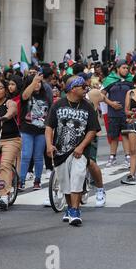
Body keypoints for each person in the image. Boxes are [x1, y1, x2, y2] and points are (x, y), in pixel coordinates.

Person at [46, 76, 101, 226]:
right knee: (65, 183)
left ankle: (75, 210)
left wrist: (81, 146)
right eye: (83, 86)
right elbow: (49, 126)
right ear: (73, 88)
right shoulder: (58, 105)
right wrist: (49, 145)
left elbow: (92, 129)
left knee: (77, 177)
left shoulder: (87, 106)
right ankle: (70, 207)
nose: (85, 89)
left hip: (79, 151)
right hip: (61, 151)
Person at [19, 73, 52, 191]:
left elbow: (49, 114)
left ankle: (37, 180)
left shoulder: (46, 96)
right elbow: (24, 96)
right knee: (26, 155)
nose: (37, 84)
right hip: (27, 130)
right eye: (34, 82)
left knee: (38, 157)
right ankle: (21, 180)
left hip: (41, 131)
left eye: (39, 82)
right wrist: (34, 81)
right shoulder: (26, 95)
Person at [0, 80, 21, 210]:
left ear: (5, 90)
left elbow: (13, 110)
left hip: (11, 140)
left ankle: (4, 196)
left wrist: (6, 117)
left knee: (4, 164)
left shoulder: (10, 102)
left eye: (0, 88)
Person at [101, 60, 133, 168]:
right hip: (113, 112)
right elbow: (102, 95)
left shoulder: (130, 80)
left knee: (125, 135)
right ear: (118, 68)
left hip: (126, 113)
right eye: (123, 68)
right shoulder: (109, 80)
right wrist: (111, 103)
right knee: (113, 136)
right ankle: (112, 157)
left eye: (127, 68)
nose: (126, 70)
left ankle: (128, 157)